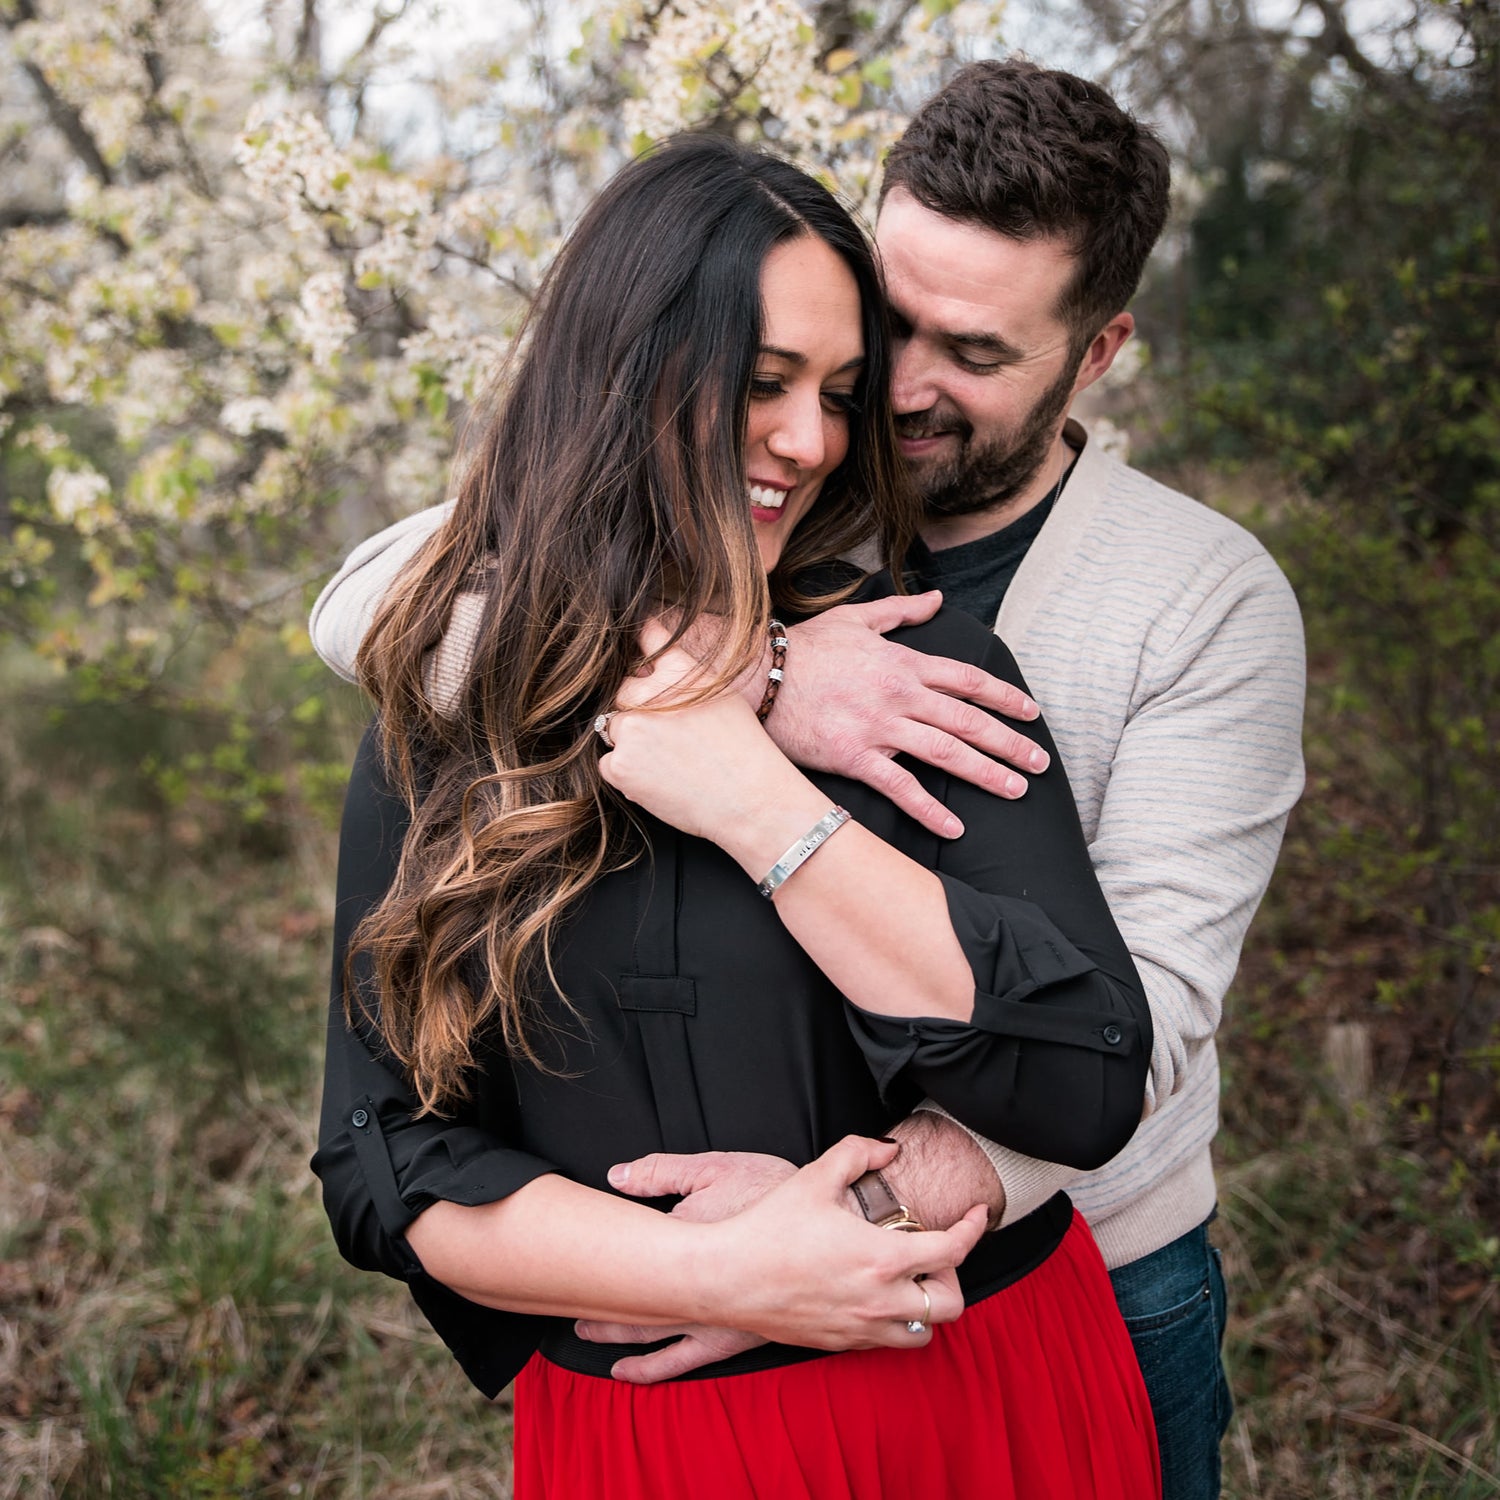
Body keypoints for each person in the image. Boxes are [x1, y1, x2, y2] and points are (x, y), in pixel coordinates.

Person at [311, 62, 1306, 1500]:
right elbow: (377, 602)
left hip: (1063, 1272)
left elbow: (1133, 1034)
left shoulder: (1196, 600)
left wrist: (831, 1237)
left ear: (1096, 353)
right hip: (667, 1394)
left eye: (969, 351)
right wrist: (761, 673)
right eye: (877, 331)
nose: (888, 396)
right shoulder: (767, 538)